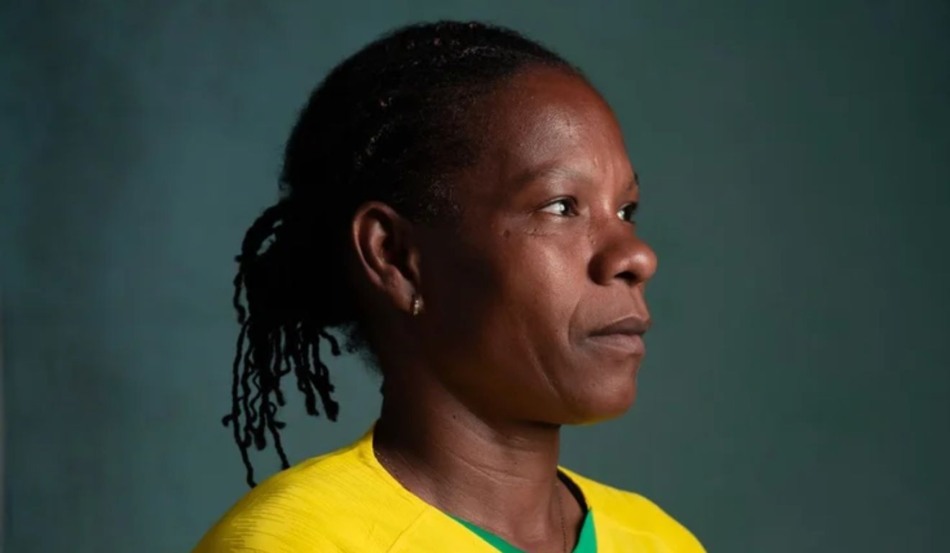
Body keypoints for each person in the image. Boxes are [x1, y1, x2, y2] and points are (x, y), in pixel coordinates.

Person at [193, 20, 705, 553]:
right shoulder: (297, 542)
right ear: (395, 256)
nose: (636, 256)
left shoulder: (661, 541)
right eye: (560, 206)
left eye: (626, 211)